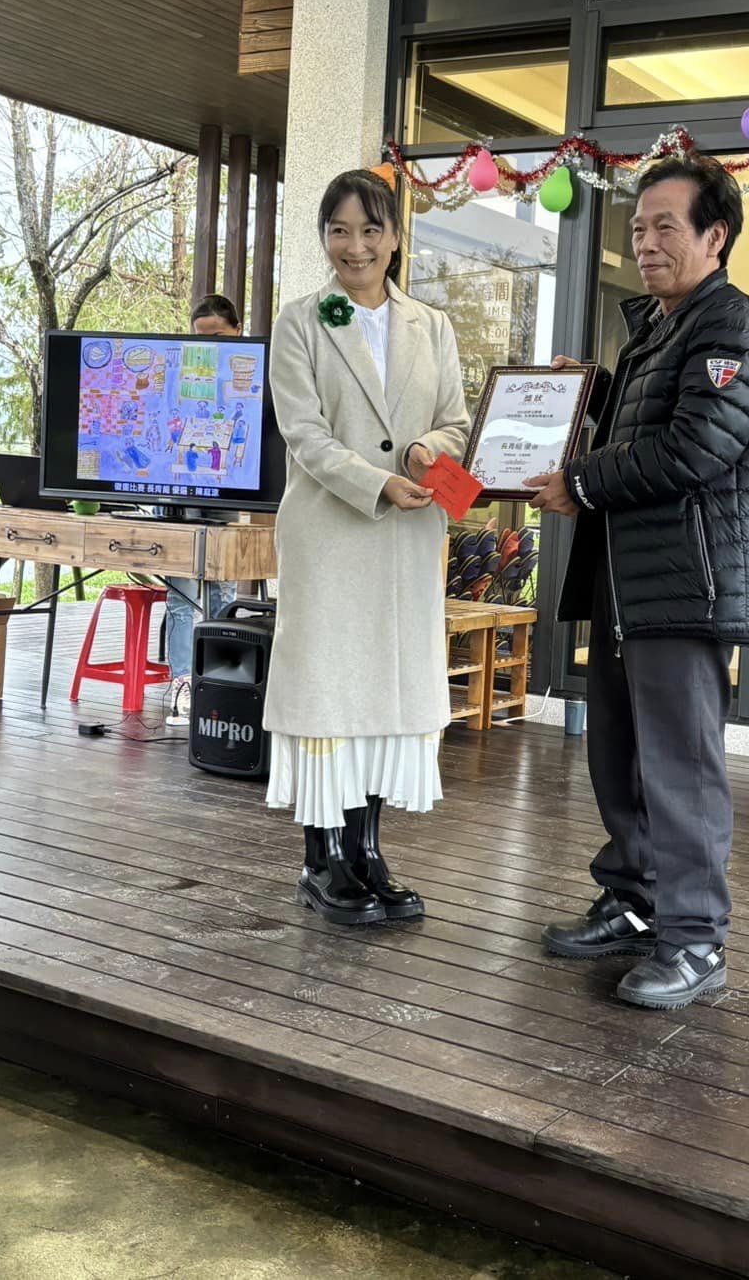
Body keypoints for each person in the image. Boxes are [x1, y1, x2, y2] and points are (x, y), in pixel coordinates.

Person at [526, 155, 749, 1011]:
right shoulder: (660, 330)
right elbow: (651, 420)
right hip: (631, 580)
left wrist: (582, 480)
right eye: (638, 228)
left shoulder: (734, 330)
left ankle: (696, 939)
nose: (645, 242)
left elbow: (693, 449)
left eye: (665, 226)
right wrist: (588, 390)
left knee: (680, 765)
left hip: (687, 584)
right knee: (619, 752)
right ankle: (636, 902)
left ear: (716, 236)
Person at [263, 168, 470, 927]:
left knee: (386, 695)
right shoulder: (299, 322)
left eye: (370, 230)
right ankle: (322, 860)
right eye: (339, 230)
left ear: (395, 237)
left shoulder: (432, 326)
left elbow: (456, 423)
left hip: (407, 541)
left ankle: (368, 849)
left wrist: (424, 452)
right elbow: (305, 434)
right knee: (329, 695)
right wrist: (379, 482)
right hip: (332, 535)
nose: (355, 246)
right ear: (324, 237)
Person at [165, 294, 242, 722]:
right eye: (201, 337)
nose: (210, 344)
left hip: (227, 494)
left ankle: (220, 681)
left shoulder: (250, 373)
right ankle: (181, 682)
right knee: (180, 594)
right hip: (180, 493)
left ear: (237, 331)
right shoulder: (184, 372)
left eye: (219, 336)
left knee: (222, 590)